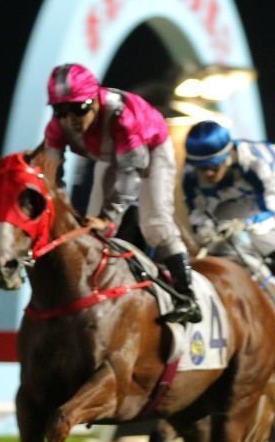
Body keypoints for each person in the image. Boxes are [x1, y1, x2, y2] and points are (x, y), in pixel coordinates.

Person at [44, 62, 200, 323]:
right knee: (92, 233)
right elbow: (50, 176)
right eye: (61, 111)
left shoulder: (123, 117)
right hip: (110, 155)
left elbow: (131, 174)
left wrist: (108, 217)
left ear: (94, 100)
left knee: (155, 223)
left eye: (78, 109)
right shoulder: (57, 127)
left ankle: (187, 296)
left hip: (149, 151)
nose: (70, 120)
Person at [182, 120, 275, 275]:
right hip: (244, 201)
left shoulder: (258, 163)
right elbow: (197, 212)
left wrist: (243, 224)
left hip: (269, 202)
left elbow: (271, 209)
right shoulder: (190, 171)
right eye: (202, 168)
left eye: (214, 167)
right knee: (219, 222)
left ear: (230, 153)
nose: (208, 174)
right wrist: (206, 231)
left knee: (264, 238)